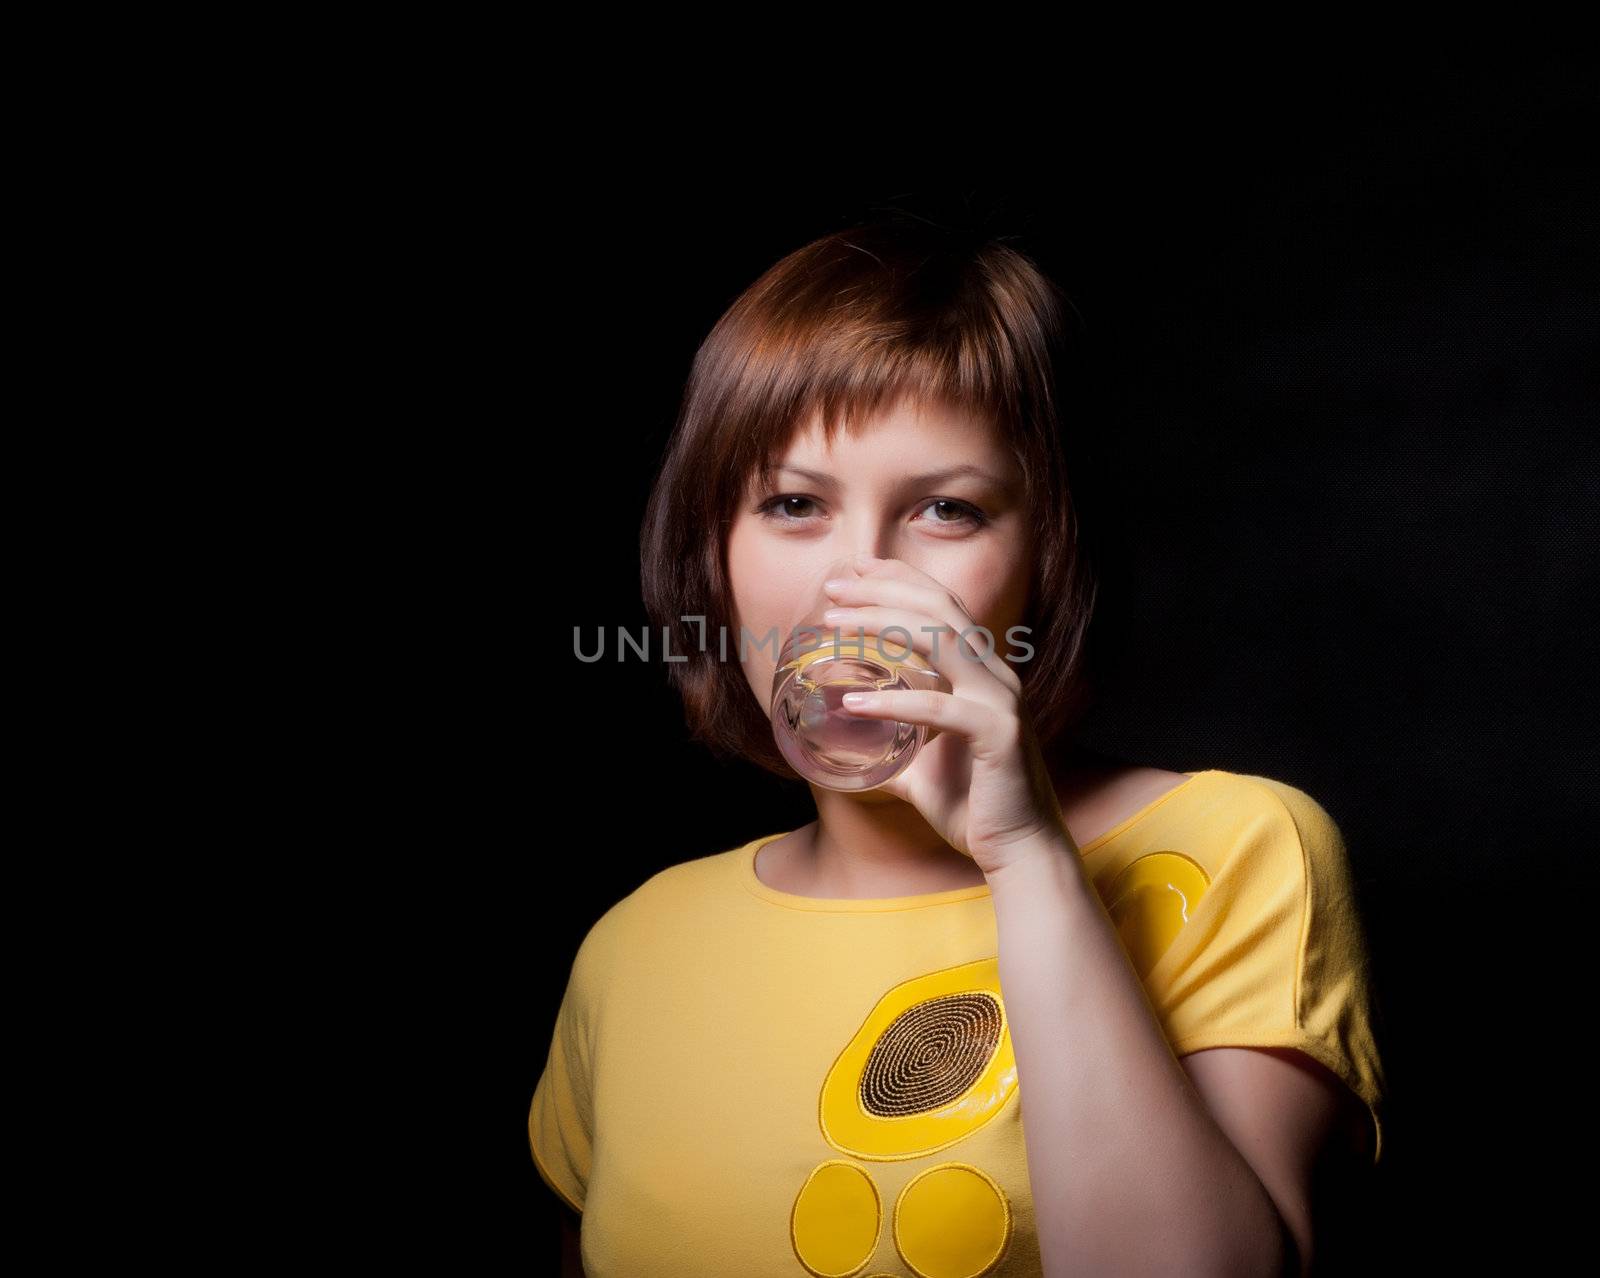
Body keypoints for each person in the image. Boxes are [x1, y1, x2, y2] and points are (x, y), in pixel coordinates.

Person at [529, 216, 1386, 1277]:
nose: (859, 588)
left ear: (1050, 554)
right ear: (714, 553)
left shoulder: (1235, 849)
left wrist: (1026, 859)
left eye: (946, 509)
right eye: (793, 504)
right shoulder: (636, 945)